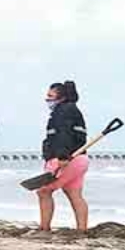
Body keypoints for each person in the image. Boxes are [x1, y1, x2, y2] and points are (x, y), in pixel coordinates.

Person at [37, 81, 89, 231]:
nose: (47, 100)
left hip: (67, 159)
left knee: (43, 191)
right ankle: (82, 230)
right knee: (74, 194)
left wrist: (62, 157)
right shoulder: (72, 110)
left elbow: (64, 135)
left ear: (62, 97)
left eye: (50, 96)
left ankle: (44, 229)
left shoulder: (63, 111)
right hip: (80, 159)